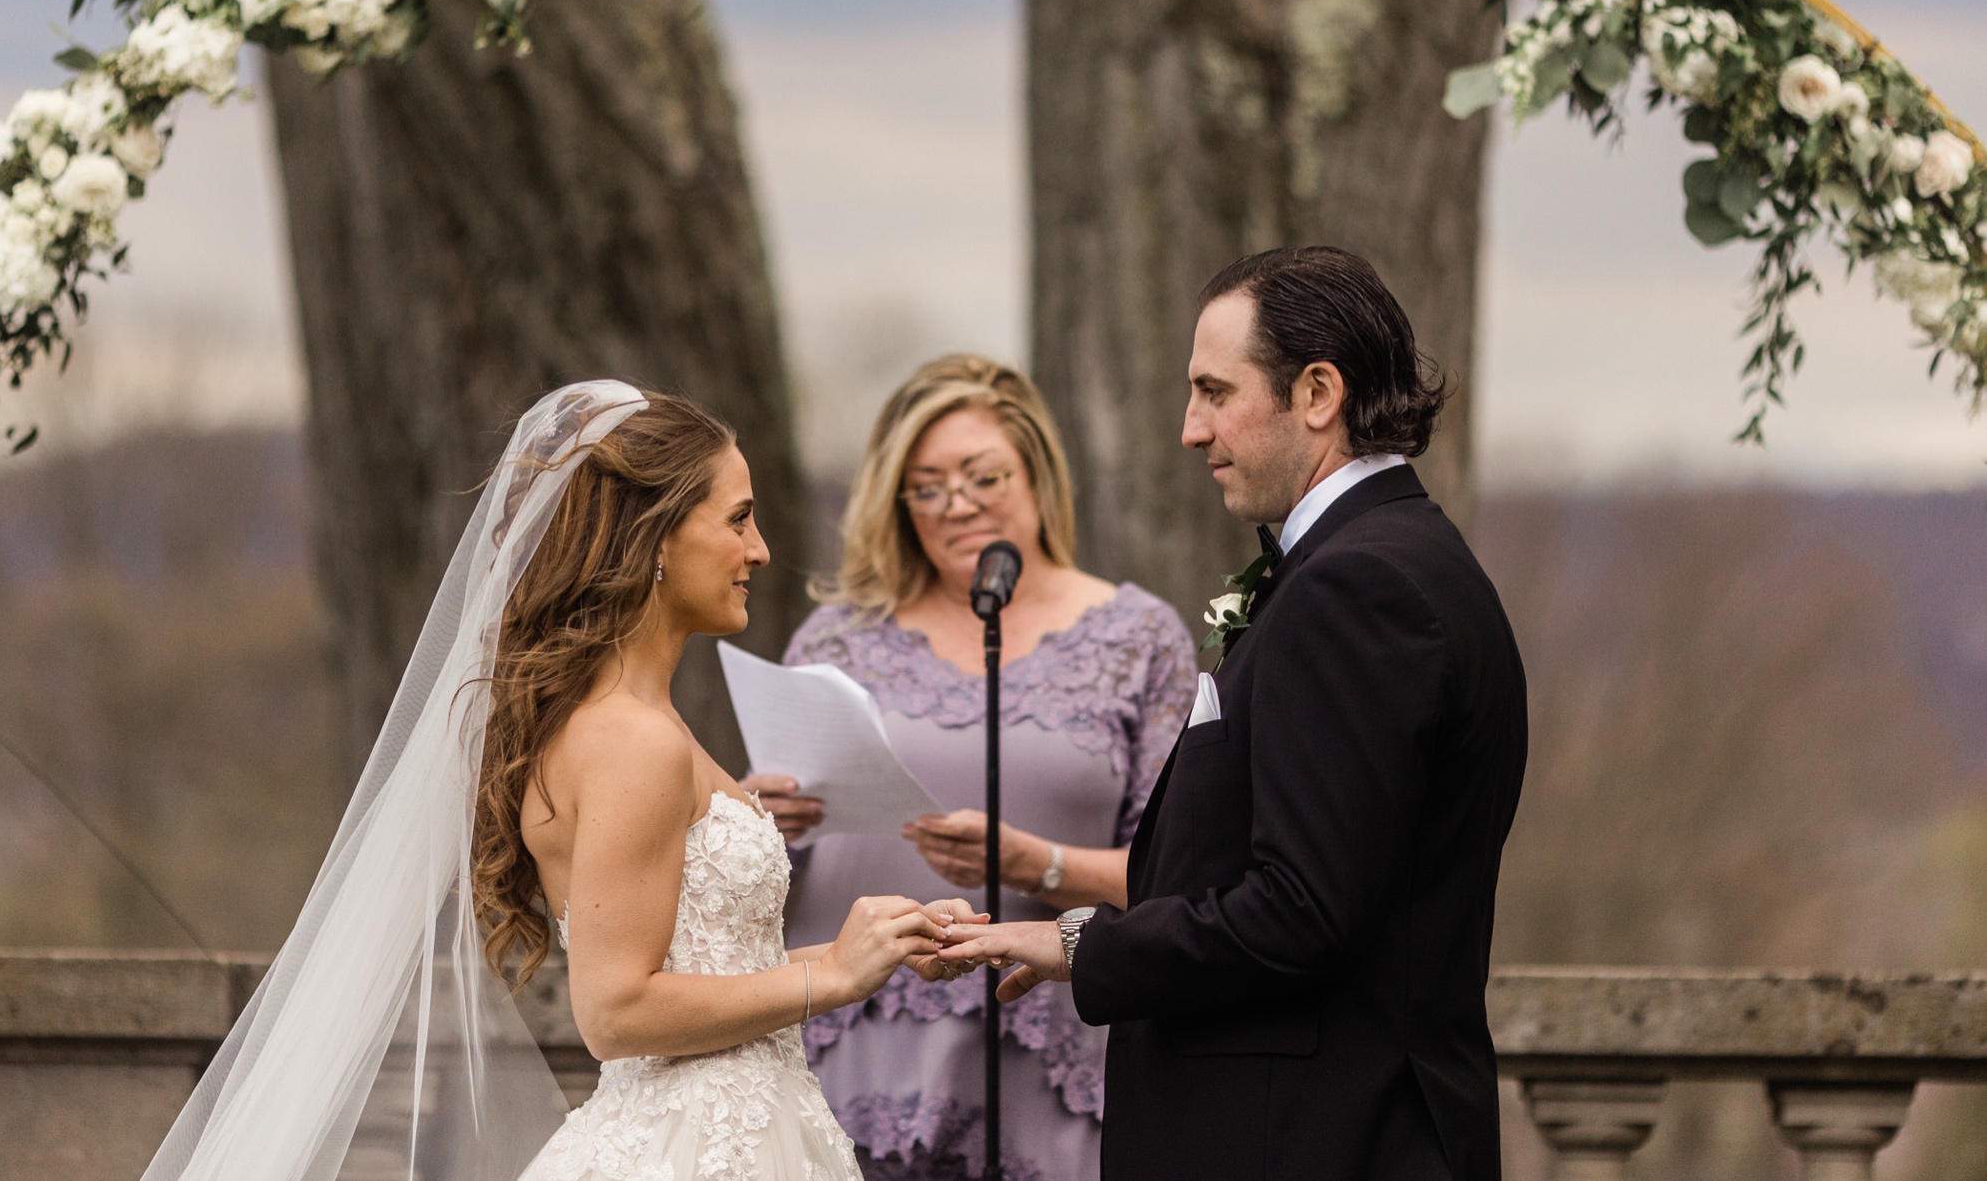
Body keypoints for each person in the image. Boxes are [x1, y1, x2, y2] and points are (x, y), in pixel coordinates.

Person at [137, 382, 972, 1181]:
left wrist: (873, 949)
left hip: (737, 1128)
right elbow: (615, 1013)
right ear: (653, 537)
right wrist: (828, 977)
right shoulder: (631, 740)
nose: (759, 549)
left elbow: (700, 964)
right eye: (739, 519)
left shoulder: (628, 721)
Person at [940, 248, 1530, 1181]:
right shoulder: (1387, 560)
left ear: (1318, 392)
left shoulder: (1358, 587)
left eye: (1215, 392)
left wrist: (1079, 945)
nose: (1190, 429)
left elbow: (1303, 910)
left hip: (1317, 1142)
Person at [743, 355, 1196, 1181]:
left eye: (983, 477)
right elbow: (758, 879)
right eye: (925, 487)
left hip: (1049, 1055)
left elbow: (1181, 878)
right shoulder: (837, 641)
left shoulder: (1138, 637)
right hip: (851, 1061)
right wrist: (755, 817)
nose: (956, 506)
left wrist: (1038, 864)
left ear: (1036, 475)